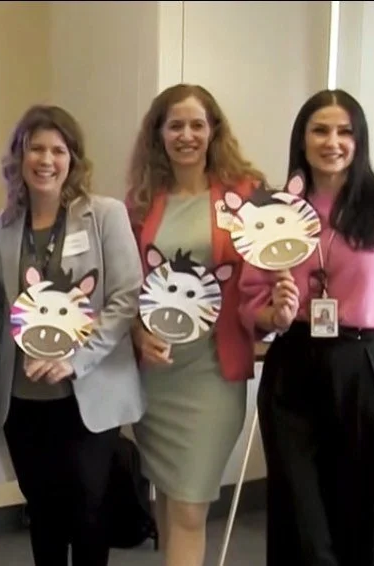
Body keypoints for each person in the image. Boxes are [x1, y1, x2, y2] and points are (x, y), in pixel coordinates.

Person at [239, 89, 374, 566]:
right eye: (320, 130)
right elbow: (251, 299)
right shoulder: (275, 210)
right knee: (297, 517)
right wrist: (274, 315)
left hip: (363, 363)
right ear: (302, 139)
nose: (332, 142)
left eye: (345, 132)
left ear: (359, 140)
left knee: (358, 515)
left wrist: (369, 324)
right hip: (293, 363)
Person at [0, 104, 144, 566]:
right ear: (20, 157)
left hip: (86, 396)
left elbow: (126, 297)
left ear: (73, 158)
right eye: (36, 148)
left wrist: (75, 360)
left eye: (58, 150)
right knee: (44, 517)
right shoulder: (2, 228)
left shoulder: (104, 215)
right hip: (24, 400)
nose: (46, 160)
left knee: (89, 516)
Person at [124, 83, 265, 566]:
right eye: (175, 125)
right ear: (159, 134)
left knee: (188, 504)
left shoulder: (244, 196)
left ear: (213, 131)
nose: (187, 135)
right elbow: (128, 286)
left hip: (212, 371)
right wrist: (137, 331)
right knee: (167, 494)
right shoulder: (142, 202)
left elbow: (261, 273)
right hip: (157, 372)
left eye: (197, 125)